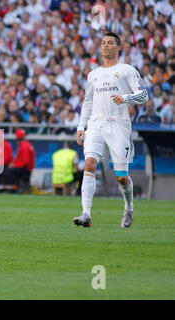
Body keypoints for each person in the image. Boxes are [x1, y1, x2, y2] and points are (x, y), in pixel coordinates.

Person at [74, 32, 149, 228]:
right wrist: (81, 127)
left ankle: (129, 207)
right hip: (96, 124)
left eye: (110, 43)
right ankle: (86, 214)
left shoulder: (127, 70)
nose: (105, 46)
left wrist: (125, 98)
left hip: (118, 124)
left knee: (121, 177)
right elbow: (87, 102)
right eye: (103, 43)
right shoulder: (93, 74)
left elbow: (144, 95)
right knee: (89, 164)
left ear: (119, 48)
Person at [4, 129, 35, 194]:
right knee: (9, 170)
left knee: (8, 171)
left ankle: (16, 188)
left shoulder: (25, 146)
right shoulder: (25, 144)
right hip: (26, 168)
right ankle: (15, 188)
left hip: (25, 169)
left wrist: (14, 165)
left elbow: (25, 162)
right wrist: (14, 164)